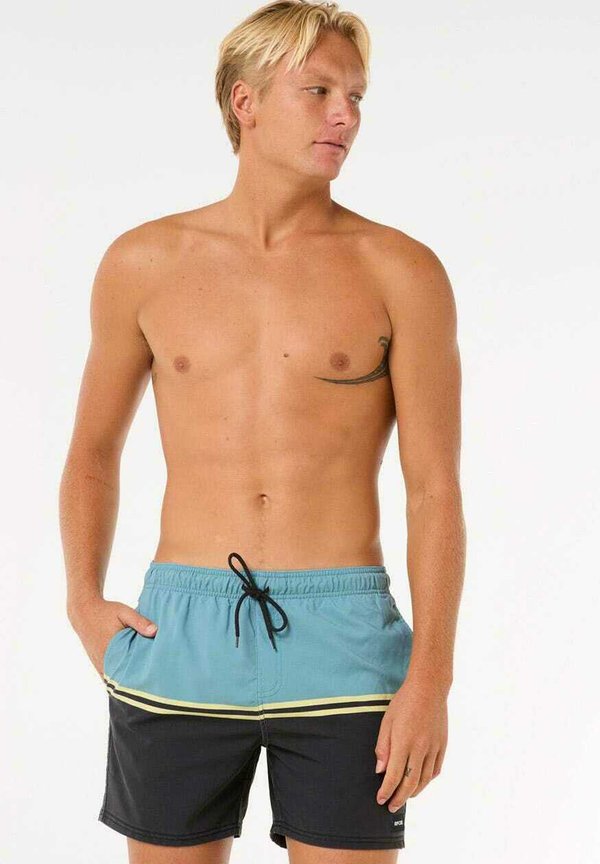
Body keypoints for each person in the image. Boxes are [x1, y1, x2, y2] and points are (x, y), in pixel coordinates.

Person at [59, 2, 466, 861]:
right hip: (180, 630)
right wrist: (83, 602)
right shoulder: (145, 261)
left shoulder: (401, 270)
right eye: (318, 91)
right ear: (243, 102)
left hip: (345, 636)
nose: (344, 114)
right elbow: (93, 451)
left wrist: (431, 675)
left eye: (355, 95)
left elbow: (434, 488)